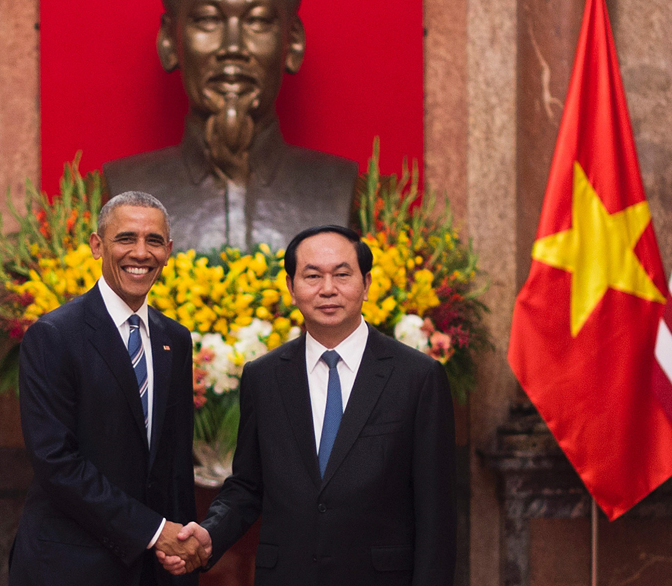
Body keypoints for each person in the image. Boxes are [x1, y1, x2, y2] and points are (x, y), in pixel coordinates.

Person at [158, 225, 457, 585]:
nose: (327, 289)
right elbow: (248, 486)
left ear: (366, 283)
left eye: (342, 275)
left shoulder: (417, 377)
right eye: (312, 276)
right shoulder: (263, 376)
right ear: (291, 287)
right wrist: (210, 535)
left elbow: (436, 514)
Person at [103, 0, 357, 253]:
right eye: (208, 20)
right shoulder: (119, 187)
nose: (233, 47)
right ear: (169, 41)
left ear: (293, 42)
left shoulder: (340, 188)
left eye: (258, 21)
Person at [9, 191, 207, 586]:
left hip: (156, 570)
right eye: (125, 239)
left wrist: (184, 548)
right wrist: (154, 532)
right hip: (70, 567)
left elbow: (175, 465)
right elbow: (57, 463)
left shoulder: (175, 339)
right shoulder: (53, 336)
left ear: (168, 251)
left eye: (153, 241)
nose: (140, 252)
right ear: (97, 246)